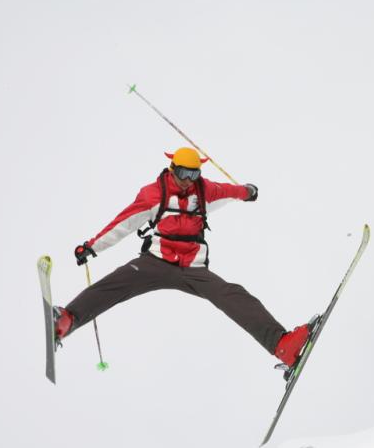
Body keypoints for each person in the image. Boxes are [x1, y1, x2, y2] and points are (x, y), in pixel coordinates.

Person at [52, 147, 311, 368]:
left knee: (232, 294)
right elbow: (124, 223)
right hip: (156, 262)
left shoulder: (204, 190)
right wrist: (92, 247)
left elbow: (229, 191)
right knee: (116, 283)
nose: (188, 180)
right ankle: (67, 320)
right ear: (173, 168)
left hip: (193, 269)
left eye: (194, 174)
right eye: (184, 173)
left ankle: (282, 346)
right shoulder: (154, 194)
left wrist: (248, 191)